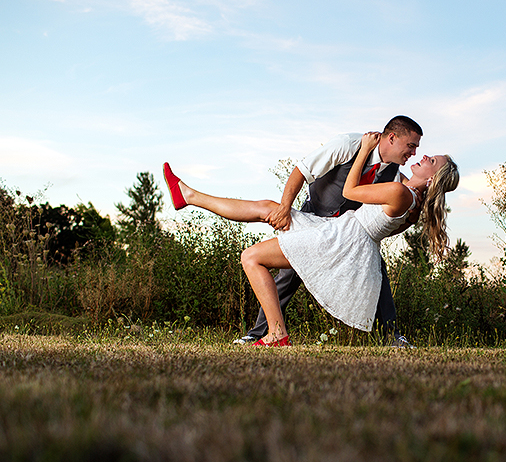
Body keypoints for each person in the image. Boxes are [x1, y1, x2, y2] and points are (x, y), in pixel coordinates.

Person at [162, 131, 459, 347]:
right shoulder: (412, 198)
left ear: (433, 178)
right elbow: (307, 172)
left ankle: (277, 333)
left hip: (341, 238)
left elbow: (350, 192)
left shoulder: (398, 189)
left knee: (252, 257)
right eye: (413, 147)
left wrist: (363, 152)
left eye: (428, 158)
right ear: (392, 138)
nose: (419, 155)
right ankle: (189, 196)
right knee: (268, 208)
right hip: (339, 230)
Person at [243, 115, 424, 347]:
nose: (414, 153)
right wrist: (285, 209)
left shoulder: (396, 174)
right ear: (392, 137)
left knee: (376, 270)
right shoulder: (348, 144)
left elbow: (401, 207)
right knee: (288, 275)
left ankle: (391, 337)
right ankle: (260, 332)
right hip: (314, 216)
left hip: (345, 233)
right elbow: (302, 170)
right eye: (411, 146)